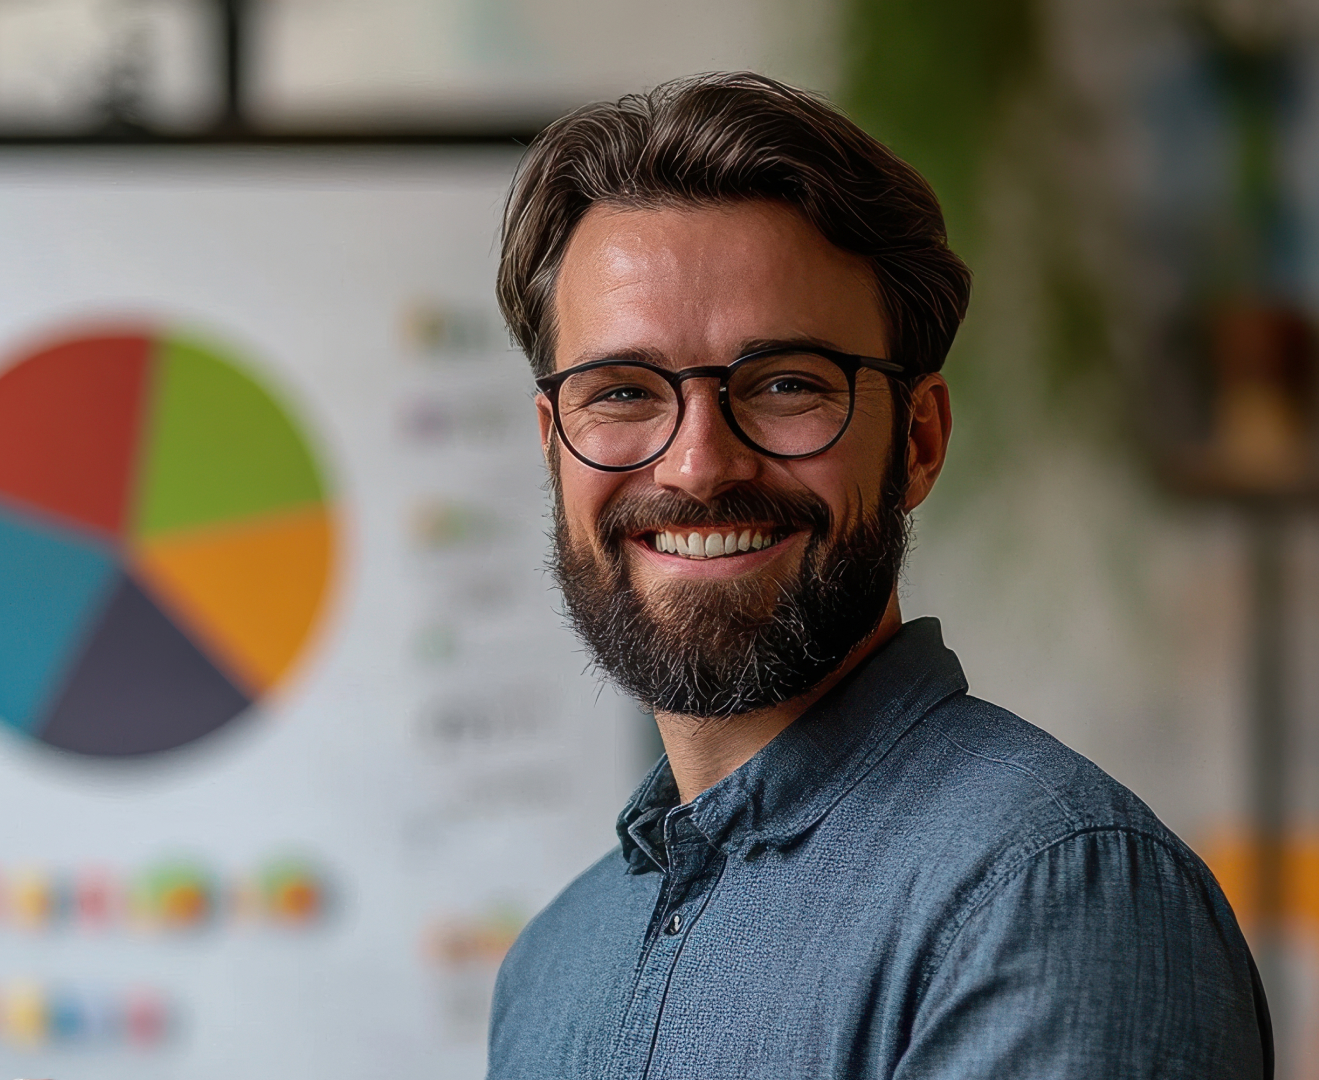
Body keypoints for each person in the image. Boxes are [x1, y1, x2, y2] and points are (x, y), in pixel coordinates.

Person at [486, 72, 1272, 1079]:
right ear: (555, 444)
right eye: (624, 393)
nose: (697, 463)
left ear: (920, 440)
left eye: (783, 385)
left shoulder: (1049, 895)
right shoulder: (555, 965)